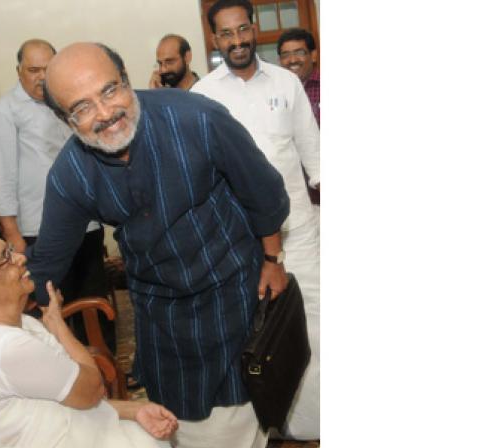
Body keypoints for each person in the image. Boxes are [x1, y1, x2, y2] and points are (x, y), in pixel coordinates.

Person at [32, 41, 291, 448]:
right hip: (159, 306)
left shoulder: (196, 117)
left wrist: (272, 259)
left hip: (232, 283)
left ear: (128, 81)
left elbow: (264, 191)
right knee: (172, 415)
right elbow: (49, 260)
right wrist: (12, 319)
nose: (105, 114)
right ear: (65, 121)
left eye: (109, 91)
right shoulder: (71, 174)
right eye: (81, 108)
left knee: (239, 411)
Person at [190, 0, 320, 440]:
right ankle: (271, 424)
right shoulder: (203, 96)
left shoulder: (287, 82)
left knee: (315, 323)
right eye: (226, 34)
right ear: (214, 39)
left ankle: (316, 423)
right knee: (257, 334)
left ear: (254, 29)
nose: (238, 40)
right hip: (241, 240)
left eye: (243, 30)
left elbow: (314, 153)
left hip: (297, 229)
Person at [0, 231, 178, 448]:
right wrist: (59, 327)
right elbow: (91, 389)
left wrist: (135, 410)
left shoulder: (19, 325)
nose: (21, 258)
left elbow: (65, 397)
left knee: (144, 437)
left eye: (11, 250)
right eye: (5, 258)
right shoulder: (1, 347)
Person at [0, 39, 114, 349]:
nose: (41, 77)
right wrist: (12, 232)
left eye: (48, 69)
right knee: (54, 305)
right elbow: (1, 176)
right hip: (38, 230)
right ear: (18, 71)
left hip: (85, 224)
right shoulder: (4, 112)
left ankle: (105, 368)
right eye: (33, 70)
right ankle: (66, 377)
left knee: (93, 298)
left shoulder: (66, 103)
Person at [277, 28, 319, 126]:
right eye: (286, 55)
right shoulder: (275, 90)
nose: (292, 60)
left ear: (313, 55)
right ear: (279, 60)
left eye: (299, 53)